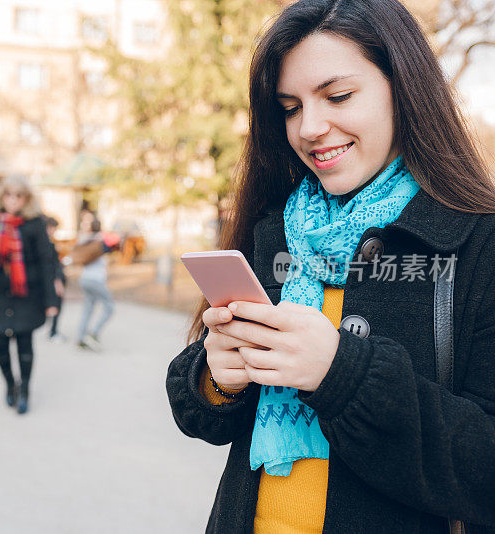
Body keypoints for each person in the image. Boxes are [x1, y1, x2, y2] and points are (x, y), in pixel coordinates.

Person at [165, 1, 495, 533]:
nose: (310, 128)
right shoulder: (276, 227)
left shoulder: (479, 241)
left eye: (337, 96)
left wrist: (341, 373)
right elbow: (199, 405)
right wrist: (216, 377)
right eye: (290, 107)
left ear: (403, 88)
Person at [0, 175, 57, 415]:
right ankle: (10, 384)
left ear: (26, 199)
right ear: (1, 195)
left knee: (25, 345)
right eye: (8, 194)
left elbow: (47, 262)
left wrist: (51, 301)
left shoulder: (34, 224)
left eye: (19, 195)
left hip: (27, 294)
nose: (13, 200)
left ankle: (25, 389)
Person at [75, 216, 114, 351]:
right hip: (96, 280)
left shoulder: (83, 239)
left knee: (88, 308)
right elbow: (112, 248)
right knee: (109, 307)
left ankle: (80, 338)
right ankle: (93, 334)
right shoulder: (100, 241)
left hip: (84, 278)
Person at [44, 216, 67, 343]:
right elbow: (50, 265)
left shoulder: (49, 243)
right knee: (55, 305)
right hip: (52, 280)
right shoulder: (46, 245)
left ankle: (53, 331)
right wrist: (57, 281)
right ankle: (53, 332)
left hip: (53, 279)